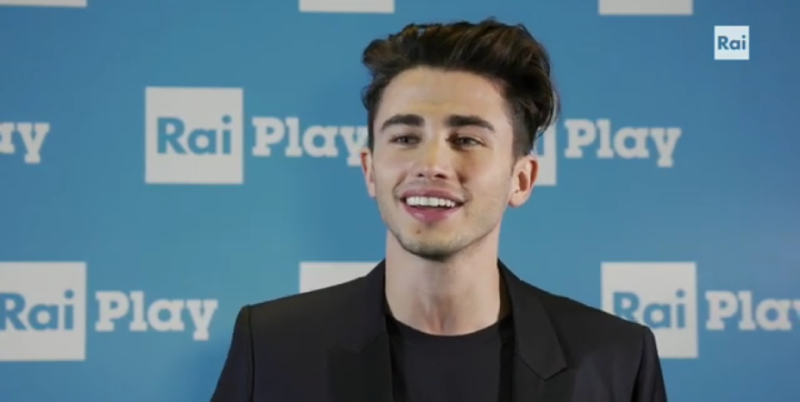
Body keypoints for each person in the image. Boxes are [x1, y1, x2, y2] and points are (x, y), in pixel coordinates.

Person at [210, 18, 668, 402]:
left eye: (466, 139)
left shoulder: (617, 359)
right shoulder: (270, 347)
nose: (431, 164)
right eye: (405, 138)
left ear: (522, 178)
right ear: (370, 170)